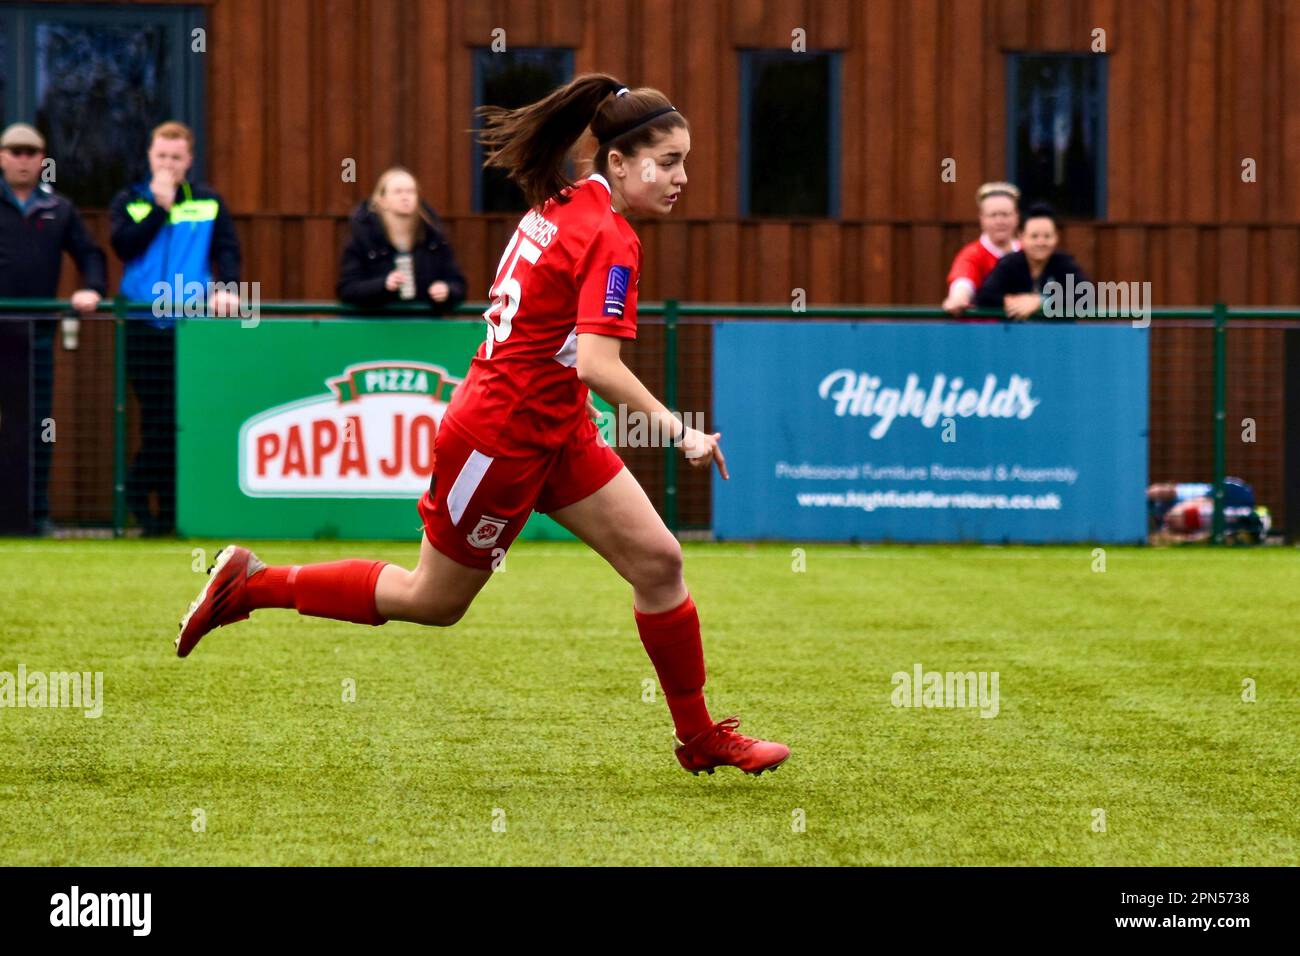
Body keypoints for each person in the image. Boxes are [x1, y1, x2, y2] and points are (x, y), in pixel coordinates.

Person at [176, 73, 790, 777]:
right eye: (670, 160)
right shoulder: (609, 236)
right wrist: (679, 429)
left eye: (686, 160)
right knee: (433, 601)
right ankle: (252, 584)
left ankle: (699, 735)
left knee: (660, 563)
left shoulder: (561, 203)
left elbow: (564, 352)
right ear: (617, 162)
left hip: (554, 424)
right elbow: (597, 363)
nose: (683, 176)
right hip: (499, 438)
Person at [109, 120, 241, 536]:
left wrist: (230, 289)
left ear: (189, 161)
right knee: (156, 417)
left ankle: (159, 511)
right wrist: (159, 208)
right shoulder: (131, 199)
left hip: (190, 325)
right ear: (150, 156)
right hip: (141, 324)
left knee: (177, 417)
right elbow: (123, 245)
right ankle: (145, 503)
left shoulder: (208, 201)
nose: (167, 164)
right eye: (161, 156)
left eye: (175, 158)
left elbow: (227, 250)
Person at [0, 122, 107, 535]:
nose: (23, 159)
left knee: (36, 427)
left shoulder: (59, 209)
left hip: (35, 338)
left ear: (43, 159)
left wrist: (93, 288)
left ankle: (35, 515)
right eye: (15, 151)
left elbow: (90, 253)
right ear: (3, 157)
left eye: (31, 152)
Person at [337, 167, 467, 313]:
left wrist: (447, 290)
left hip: (423, 327)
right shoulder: (363, 238)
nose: (405, 197)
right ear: (382, 200)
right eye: (398, 192)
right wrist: (383, 285)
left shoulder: (434, 238)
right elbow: (347, 289)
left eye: (411, 191)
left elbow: (458, 285)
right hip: (376, 326)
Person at [974, 203, 1090, 319]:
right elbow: (984, 296)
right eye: (1034, 236)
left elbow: (1085, 295)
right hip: (1015, 333)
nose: (1041, 243)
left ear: (1056, 238)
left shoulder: (1064, 263)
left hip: (1057, 333)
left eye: (1047, 236)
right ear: (1021, 236)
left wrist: (1041, 302)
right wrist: (1013, 302)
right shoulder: (1009, 263)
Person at [942, 181, 1021, 315]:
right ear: (982, 219)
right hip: (985, 332)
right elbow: (963, 281)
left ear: (1016, 217)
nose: (1000, 221)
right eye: (993, 215)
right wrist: (958, 298)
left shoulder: (1029, 251)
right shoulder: (972, 254)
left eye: (1005, 214)